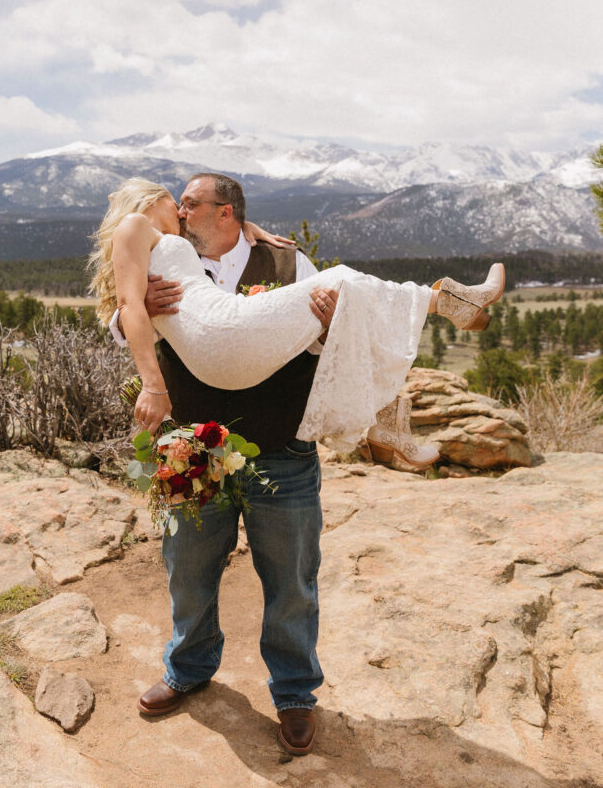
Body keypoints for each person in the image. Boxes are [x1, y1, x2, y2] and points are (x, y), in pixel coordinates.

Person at [90, 174, 505, 754]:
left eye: (191, 205)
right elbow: (124, 320)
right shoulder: (162, 248)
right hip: (192, 446)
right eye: (175, 203)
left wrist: (332, 323)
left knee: (291, 582)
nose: (181, 213)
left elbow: (321, 339)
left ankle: (294, 694)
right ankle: (186, 670)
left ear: (227, 214)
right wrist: (130, 321)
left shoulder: (287, 262)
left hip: (280, 448)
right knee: (187, 568)